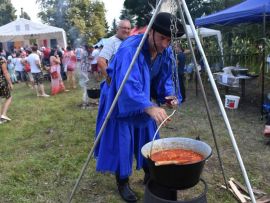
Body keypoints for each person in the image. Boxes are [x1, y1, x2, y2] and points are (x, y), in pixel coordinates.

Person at [94, 12, 184, 202]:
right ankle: (123, 181)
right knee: (123, 141)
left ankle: (150, 175)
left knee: (149, 139)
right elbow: (127, 83)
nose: (165, 44)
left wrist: (169, 96)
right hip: (119, 100)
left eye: (169, 40)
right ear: (150, 32)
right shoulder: (130, 49)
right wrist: (148, 106)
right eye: (162, 38)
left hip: (142, 100)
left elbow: (166, 77)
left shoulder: (165, 50)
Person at [0, 56, 13, 124]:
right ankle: (3, 115)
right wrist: (10, 83)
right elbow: (5, 72)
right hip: (1, 82)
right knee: (9, 97)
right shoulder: (1, 60)